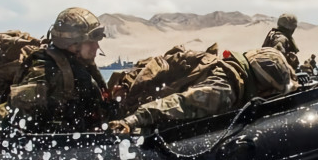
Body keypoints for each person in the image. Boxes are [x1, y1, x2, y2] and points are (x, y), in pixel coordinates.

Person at [109, 48, 297, 134]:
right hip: (145, 120)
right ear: (261, 86)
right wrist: (133, 121)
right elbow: (179, 103)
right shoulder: (222, 91)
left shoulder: (222, 67)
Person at [4, 7, 112, 133]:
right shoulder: (44, 73)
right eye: (90, 42)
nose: (96, 46)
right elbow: (17, 123)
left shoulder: (81, 67)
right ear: (73, 44)